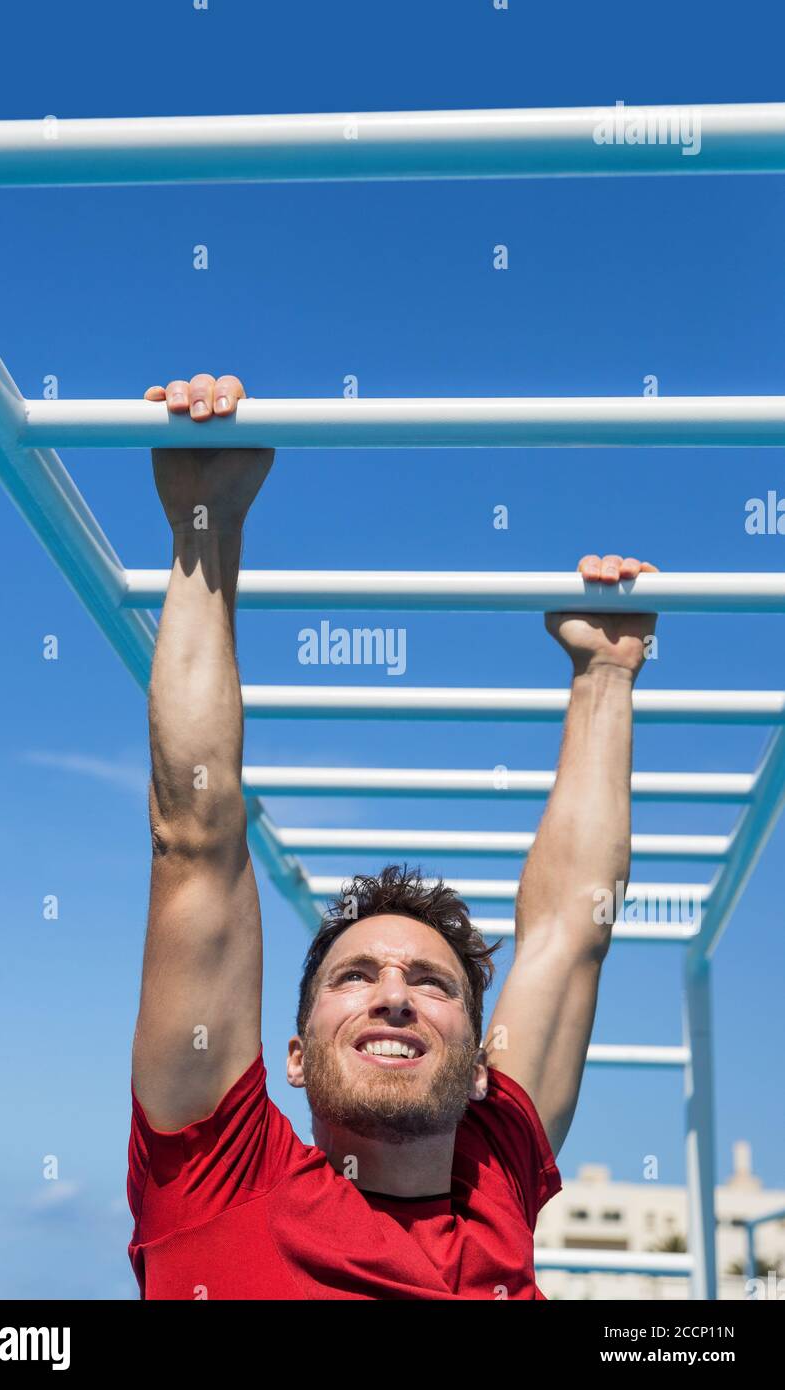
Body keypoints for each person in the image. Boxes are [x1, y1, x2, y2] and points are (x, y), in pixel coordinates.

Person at [127, 371, 658, 1300]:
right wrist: (203, 520)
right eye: (355, 976)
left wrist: (605, 679)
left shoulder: (493, 1176)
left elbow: (576, 931)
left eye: (430, 983)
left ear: (482, 1066)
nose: (394, 998)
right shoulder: (219, 1174)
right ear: (290, 1057)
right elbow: (196, 834)